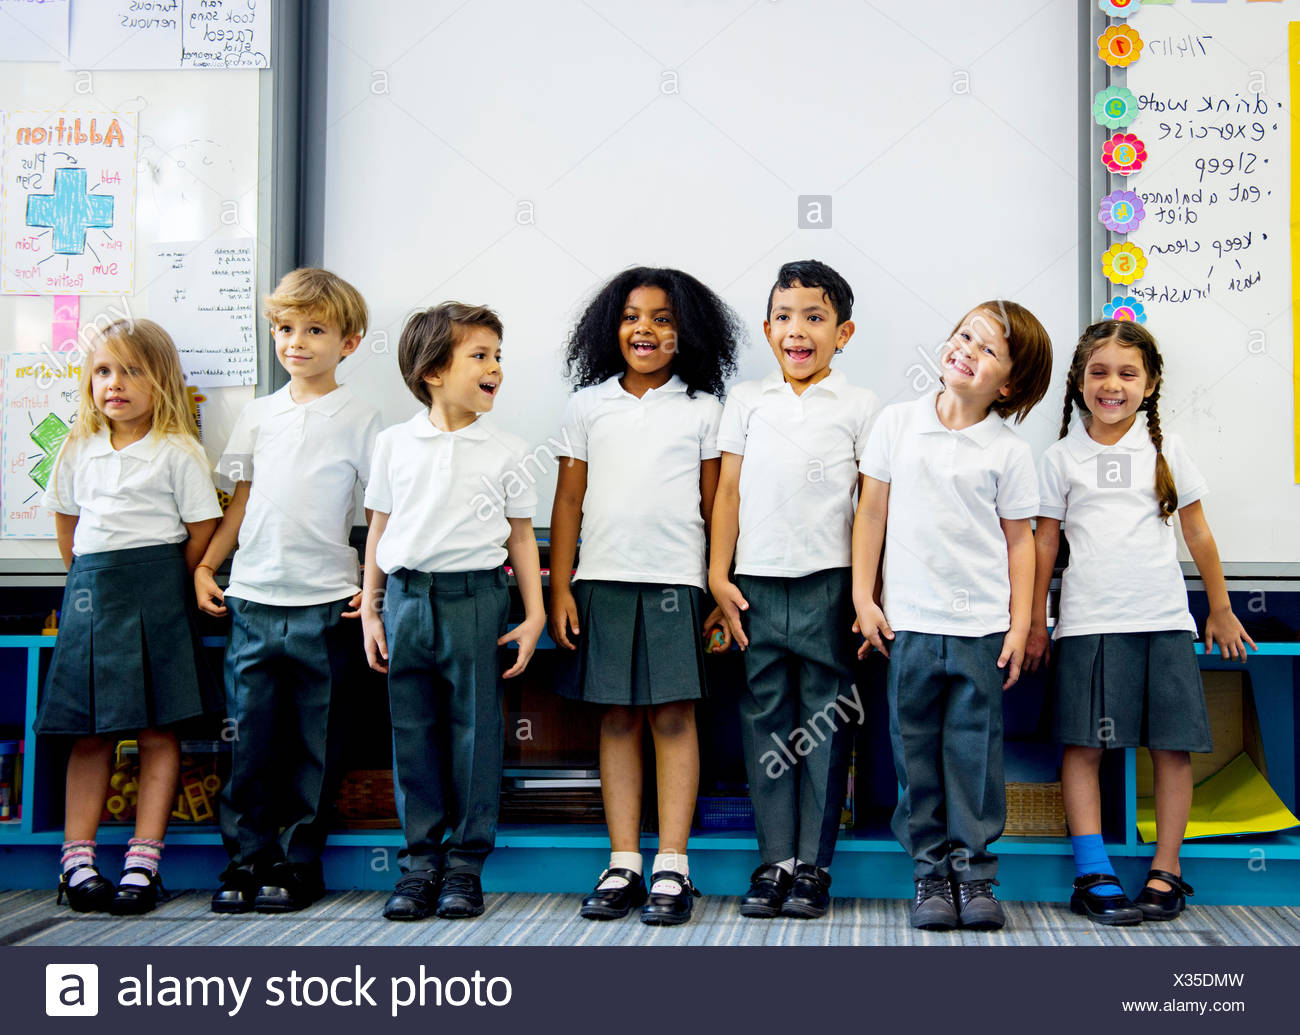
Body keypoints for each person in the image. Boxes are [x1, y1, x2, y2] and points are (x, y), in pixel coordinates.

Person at [1025, 319, 1256, 925]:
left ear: (1150, 384)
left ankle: (1166, 869)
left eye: (1128, 373)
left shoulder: (1166, 450)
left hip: (1163, 621)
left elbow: (1197, 531)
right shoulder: (1060, 458)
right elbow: (1044, 545)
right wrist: (1032, 620)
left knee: (1171, 747)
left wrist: (1222, 608)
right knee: (1083, 745)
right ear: (1078, 381)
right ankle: (1093, 870)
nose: (1112, 385)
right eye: (1098, 372)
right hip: (1087, 624)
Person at [550, 267, 743, 925]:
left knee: (673, 717)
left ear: (687, 332)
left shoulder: (704, 409)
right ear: (612, 326)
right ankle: (623, 859)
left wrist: (720, 578)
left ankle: (673, 865)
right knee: (615, 717)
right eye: (633, 316)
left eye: (663, 318)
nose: (646, 329)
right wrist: (561, 585)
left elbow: (719, 503)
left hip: (677, 582)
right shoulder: (587, 406)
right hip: (601, 580)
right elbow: (569, 499)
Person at [853, 301, 1053, 931]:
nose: (967, 349)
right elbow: (871, 516)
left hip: (983, 630)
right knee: (914, 751)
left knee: (974, 752)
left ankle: (975, 873)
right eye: (965, 335)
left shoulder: (1009, 451)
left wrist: (1021, 625)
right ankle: (930, 874)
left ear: (1011, 383)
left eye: (988, 349)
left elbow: (1020, 542)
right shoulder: (896, 424)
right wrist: (864, 598)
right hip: (909, 621)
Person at [197, 268, 382, 914]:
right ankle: (245, 858)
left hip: (326, 602)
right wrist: (206, 566)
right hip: (251, 597)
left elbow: (378, 511)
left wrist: (370, 583)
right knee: (250, 738)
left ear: (348, 343)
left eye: (313, 329)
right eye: (283, 328)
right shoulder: (258, 414)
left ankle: (297, 862)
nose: (295, 342)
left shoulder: (362, 418)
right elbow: (240, 501)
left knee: (314, 739)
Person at [361, 302, 545, 921]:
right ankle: (418, 866)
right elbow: (378, 530)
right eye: (481, 356)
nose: (495, 368)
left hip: (477, 600)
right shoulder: (392, 444)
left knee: (476, 733)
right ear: (433, 371)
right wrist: (371, 611)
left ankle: (465, 866)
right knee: (412, 732)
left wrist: (534, 613)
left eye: (498, 357)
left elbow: (521, 538)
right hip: (408, 600)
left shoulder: (509, 449)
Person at [711, 260, 878, 920]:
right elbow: (726, 492)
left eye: (814, 317)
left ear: (844, 332)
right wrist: (718, 576)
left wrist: (866, 594)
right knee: (765, 722)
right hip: (753, 583)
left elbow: (870, 509)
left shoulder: (861, 406)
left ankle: (813, 865)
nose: (797, 330)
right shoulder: (748, 400)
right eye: (784, 316)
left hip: (828, 584)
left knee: (823, 724)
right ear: (767, 327)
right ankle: (774, 859)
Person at [39, 318, 221, 915]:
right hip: (92, 594)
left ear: (161, 380)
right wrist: (92, 580)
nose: (114, 383)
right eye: (103, 371)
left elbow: (201, 531)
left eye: (132, 370)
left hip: (159, 593)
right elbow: (68, 530)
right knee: (90, 732)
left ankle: (144, 864)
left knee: (158, 730)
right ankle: (78, 862)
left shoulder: (177, 451)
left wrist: (162, 582)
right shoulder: (77, 448)